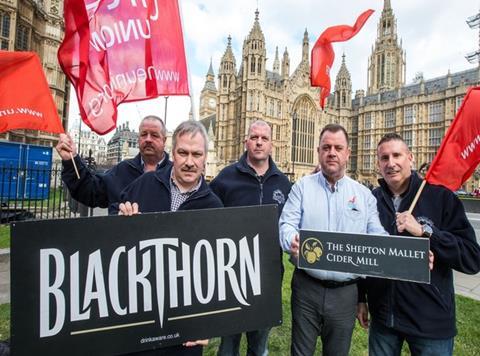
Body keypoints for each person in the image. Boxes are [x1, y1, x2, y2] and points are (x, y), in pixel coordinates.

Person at [357, 133, 480, 356]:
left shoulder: (440, 197)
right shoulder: (370, 199)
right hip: (384, 320)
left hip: (429, 323)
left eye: (397, 155)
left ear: (411, 158)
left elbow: (472, 258)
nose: (391, 163)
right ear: (378, 164)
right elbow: (364, 251)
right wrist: (361, 298)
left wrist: (426, 232)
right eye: (384, 158)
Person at [279, 123, 387, 356]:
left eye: (338, 147)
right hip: (306, 288)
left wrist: (407, 252)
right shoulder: (301, 187)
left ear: (348, 153)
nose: (332, 152)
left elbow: (378, 236)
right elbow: (286, 223)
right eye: (326, 147)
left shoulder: (364, 195)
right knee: (300, 352)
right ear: (319, 151)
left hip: (345, 294)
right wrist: (292, 241)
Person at [119, 120, 223, 356]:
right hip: (140, 317)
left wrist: (208, 323)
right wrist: (121, 219)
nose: (189, 162)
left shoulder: (214, 207)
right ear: (172, 153)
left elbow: (217, 275)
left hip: (186, 330)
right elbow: (114, 245)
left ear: (205, 157)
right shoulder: (144, 184)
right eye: (183, 152)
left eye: (196, 154)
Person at [210, 120, 291, 356]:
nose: (258, 142)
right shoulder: (225, 178)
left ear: (271, 145)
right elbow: (207, 218)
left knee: (259, 346)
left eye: (264, 139)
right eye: (254, 137)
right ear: (247, 141)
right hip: (231, 276)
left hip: (268, 277)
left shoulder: (283, 183)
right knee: (228, 346)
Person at [56, 115, 171, 214]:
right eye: (144, 134)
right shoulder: (123, 170)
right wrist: (71, 161)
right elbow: (89, 191)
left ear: (164, 140)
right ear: (138, 139)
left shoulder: (175, 174)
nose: (148, 139)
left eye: (154, 135)